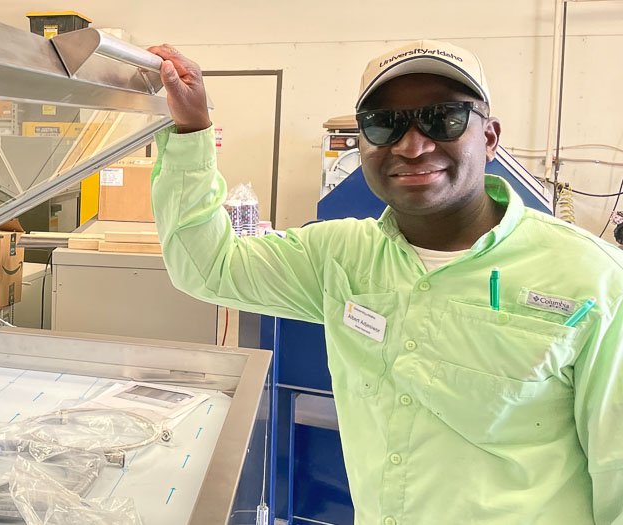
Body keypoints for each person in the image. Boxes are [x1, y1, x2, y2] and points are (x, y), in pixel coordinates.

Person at [146, 40, 623, 524]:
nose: (413, 146)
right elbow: (208, 265)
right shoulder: (341, 256)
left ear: (490, 137)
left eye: (444, 118)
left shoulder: (595, 279)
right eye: (383, 123)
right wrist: (192, 129)